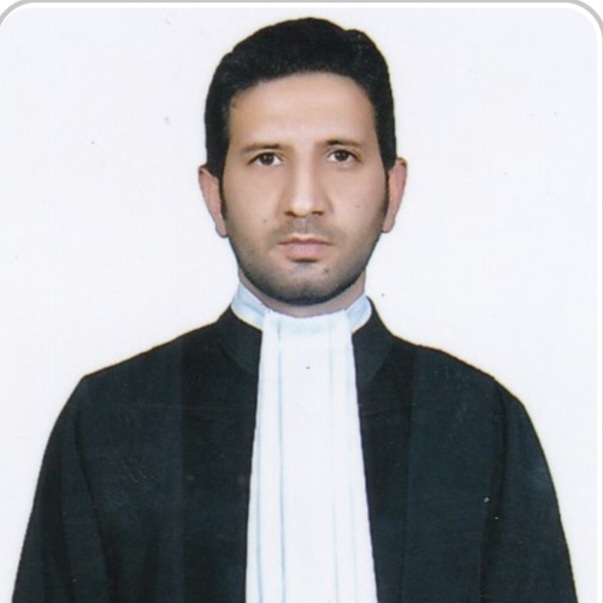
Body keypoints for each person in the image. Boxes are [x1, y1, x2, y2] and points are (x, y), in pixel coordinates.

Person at [13, 17, 577, 603]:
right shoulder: (111, 418)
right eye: (267, 159)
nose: (303, 201)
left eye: (341, 155)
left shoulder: (480, 421)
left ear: (393, 190)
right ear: (215, 195)